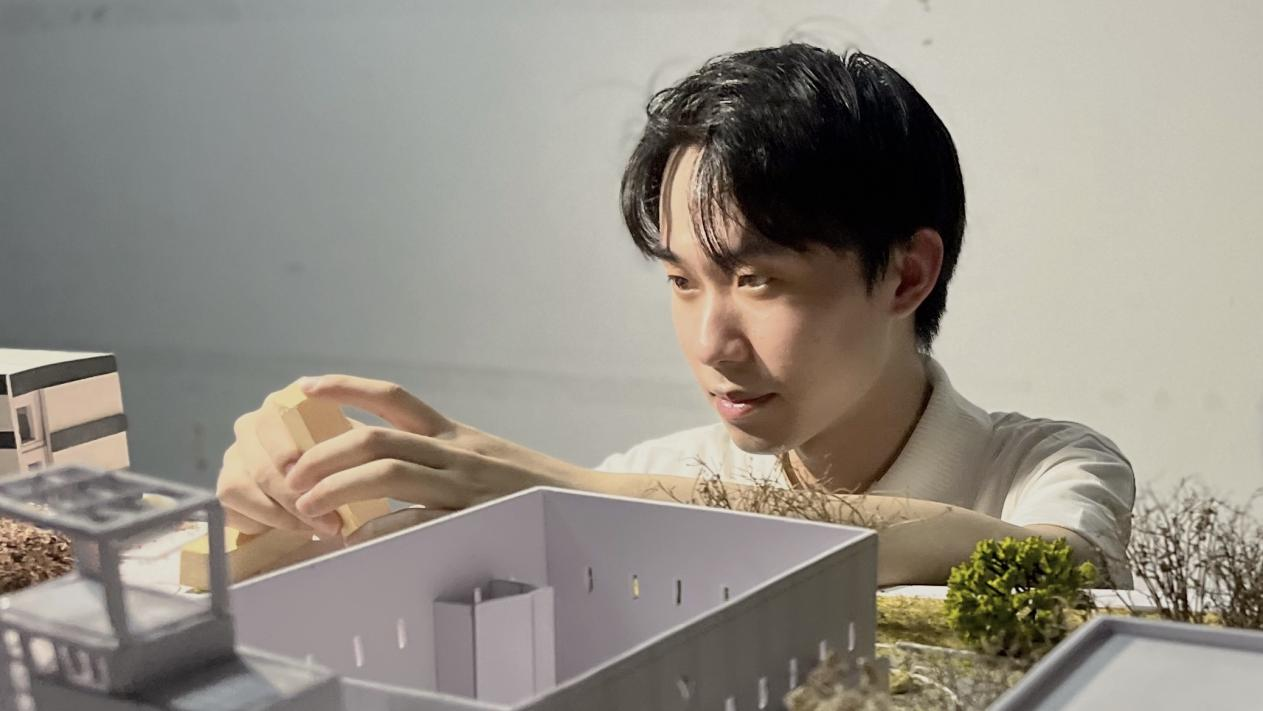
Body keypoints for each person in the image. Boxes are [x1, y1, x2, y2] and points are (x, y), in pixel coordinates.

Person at [213, 44, 1135, 587]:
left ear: (906, 275)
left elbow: (1051, 567)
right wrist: (290, 511)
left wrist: (572, 494)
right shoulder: (658, 470)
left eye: (758, 280)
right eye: (682, 281)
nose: (708, 343)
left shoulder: (1043, 467)